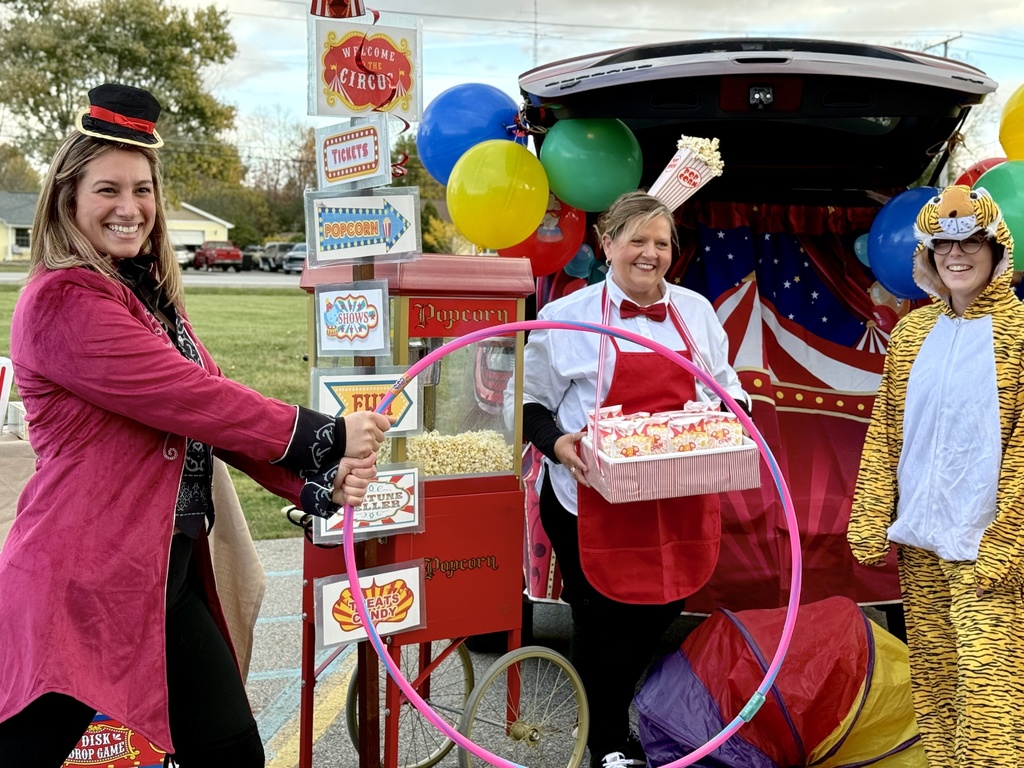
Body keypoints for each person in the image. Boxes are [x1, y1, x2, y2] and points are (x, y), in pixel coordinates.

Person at [0, 83, 392, 768]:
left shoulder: (144, 298)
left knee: (231, 752)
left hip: (165, 573)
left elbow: (206, 417)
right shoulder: (63, 299)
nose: (131, 209)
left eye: (144, 190)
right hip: (81, 578)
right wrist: (321, 437)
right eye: (107, 190)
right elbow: (189, 398)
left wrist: (313, 485)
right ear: (67, 198)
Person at [522, 191, 750, 768]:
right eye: (637, 240)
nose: (650, 253)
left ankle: (619, 705)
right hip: (587, 497)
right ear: (608, 244)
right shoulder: (564, 317)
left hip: (677, 492)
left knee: (663, 605)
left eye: (662, 242)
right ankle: (605, 742)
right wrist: (559, 443)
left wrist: (729, 421)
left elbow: (727, 387)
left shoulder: (696, 311)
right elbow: (530, 406)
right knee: (600, 621)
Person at [848, 184, 1024, 767]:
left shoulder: (1020, 336)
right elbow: (888, 434)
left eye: (972, 240)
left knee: (992, 698)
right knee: (939, 689)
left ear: (997, 249)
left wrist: (1007, 544)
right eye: (943, 243)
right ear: (926, 252)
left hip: (989, 551)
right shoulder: (910, 334)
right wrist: (872, 515)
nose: (957, 254)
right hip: (922, 540)